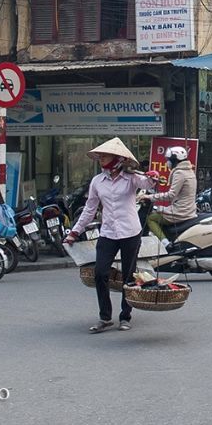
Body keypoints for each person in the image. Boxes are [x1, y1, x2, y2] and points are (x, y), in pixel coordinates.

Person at [64, 138, 156, 333]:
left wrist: (153, 177)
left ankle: (125, 316)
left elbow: (147, 184)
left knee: (128, 276)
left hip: (130, 231)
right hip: (108, 232)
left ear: (116, 158)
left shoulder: (131, 178)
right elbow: (89, 210)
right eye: (100, 156)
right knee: (100, 273)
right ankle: (105, 317)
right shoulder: (97, 182)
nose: (100, 159)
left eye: (104, 156)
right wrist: (75, 231)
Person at [146, 146, 197, 242]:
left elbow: (171, 195)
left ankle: (166, 243)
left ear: (175, 160)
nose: (167, 162)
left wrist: (149, 197)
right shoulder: (189, 171)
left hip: (180, 212)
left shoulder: (180, 173)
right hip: (189, 210)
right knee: (159, 210)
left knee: (150, 218)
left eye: (168, 160)